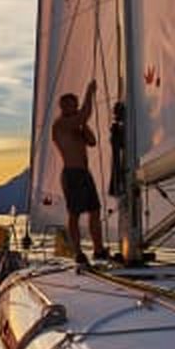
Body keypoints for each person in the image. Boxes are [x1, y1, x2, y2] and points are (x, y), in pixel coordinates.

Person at [52, 79, 108, 264]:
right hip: (71, 174)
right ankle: (77, 252)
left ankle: (98, 249)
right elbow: (85, 114)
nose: (73, 108)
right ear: (63, 107)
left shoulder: (77, 126)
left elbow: (92, 142)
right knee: (74, 214)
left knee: (95, 210)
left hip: (84, 173)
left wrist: (84, 127)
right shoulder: (60, 125)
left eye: (75, 105)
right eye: (70, 105)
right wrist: (90, 92)